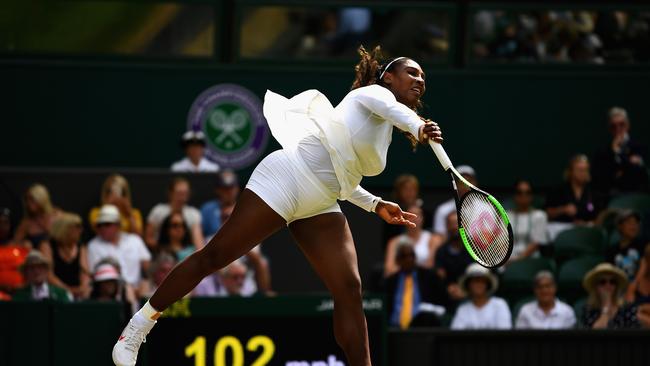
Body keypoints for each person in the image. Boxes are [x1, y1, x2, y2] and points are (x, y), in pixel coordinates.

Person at [113, 45, 443, 366]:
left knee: (349, 289)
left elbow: (340, 175)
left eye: (423, 77)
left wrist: (373, 204)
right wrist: (418, 126)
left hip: (321, 202)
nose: (419, 81)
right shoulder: (373, 96)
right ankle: (137, 327)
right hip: (286, 177)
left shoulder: (382, 128)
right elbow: (397, 115)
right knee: (214, 257)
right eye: (411, 72)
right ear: (387, 77)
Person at [88, 205, 151, 296]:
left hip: (137, 291)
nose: (102, 228)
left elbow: (148, 267)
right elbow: (95, 274)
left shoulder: (135, 240)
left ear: (118, 225)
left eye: (107, 224)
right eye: (99, 225)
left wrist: (143, 285)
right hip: (110, 295)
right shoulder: (93, 245)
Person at [384, 242, 448, 329]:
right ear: (397, 260)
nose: (409, 259)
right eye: (404, 256)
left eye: (412, 255)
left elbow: (442, 301)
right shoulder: (390, 281)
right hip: (394, 330)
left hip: (421, 330)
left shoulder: (429, 277)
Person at [591, 107, 648, 195]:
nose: (618, 129)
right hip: (612, 198)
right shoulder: (603, 152)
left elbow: (637, 173)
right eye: (613, 126)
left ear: (628, 125)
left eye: (621, 124)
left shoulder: (639, 147)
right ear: (609, 129)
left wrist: (618, 153)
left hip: (636, 196)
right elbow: (601, 178)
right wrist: (625, 161)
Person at [545, 154, 605, 238]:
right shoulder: (558, 190)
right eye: (579, 170)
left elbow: (601, 217)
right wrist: (563, 209)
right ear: (571, 171)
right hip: (562, 229)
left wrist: (586, 224)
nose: (583, 173)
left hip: (586, 230)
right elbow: (547, 213)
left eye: (585, 170)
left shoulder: (594, 192)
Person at [38, 212, 91, 300]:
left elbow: (85, 273)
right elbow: (48, 274)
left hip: (77, 293)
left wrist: (83, 288)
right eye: (77, 227)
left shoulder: (81, 247)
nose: (81, 230)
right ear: (64, 229)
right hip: (55, 292)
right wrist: (67, 290)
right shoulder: (47, 246)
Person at [145, 177, 204, 250]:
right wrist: (168, 251)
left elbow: (199, 243)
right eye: (179, 193)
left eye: (185, 193)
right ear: (170, 193)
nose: (183, 197)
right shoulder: (158, 211)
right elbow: (148, 239)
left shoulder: (194, 214)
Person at [450, 263, 512, 330]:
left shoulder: (500, 305)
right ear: (468, 285)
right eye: (475, 281)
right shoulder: (463, 309)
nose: (478, 284)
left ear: (487, 284)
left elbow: (505, 335)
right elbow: (455, 336)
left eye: (482, 281)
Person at [384, 204, 438, 277]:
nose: (414, 218)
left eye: (417, 215)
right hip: (401, 280)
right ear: (404, 218)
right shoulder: (394, 242)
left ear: (423, 218)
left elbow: (430, 265)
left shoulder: (433, 239)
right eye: (410, 215)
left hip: (424, 281)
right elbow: (389, 269)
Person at [580, 262, 640, 329]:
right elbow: (594, 334)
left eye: (612, 281)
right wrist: (606, 307)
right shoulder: (589, 310)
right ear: (596, 286)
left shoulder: (628, 308)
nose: (608, 285)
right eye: (602, 282)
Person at [435, 211, 473, 303]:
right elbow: (440, 277)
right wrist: (449, 288)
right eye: (450, 224)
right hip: (447, 298)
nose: (453, 227)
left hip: (471, 295)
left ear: (464, 226)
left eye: (456, 223)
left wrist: (465, 290)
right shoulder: (441, 251)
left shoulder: (474, 250)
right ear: (446, 227)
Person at [382, 174, 432, 245]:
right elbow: (387, 240)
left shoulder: (426, 213)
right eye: (405, 189)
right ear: (399, 192)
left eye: (412, 189)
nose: (409, 192)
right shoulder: (392, 214)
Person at [506, 180, 549, 261]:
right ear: (514, 195)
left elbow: (536, 243)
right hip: (508, 259)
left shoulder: (540, 215)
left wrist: (518, 259)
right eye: (519, 192)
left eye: (528, 192)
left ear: (532, 196)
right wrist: (505, 260)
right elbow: (502, 242)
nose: (523, 196)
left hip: (532, 260)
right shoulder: (506, 216)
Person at [431, 165, 476, 240]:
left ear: (474, 183)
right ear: (455, 184)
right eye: (461, 182)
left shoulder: (488, 208)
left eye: (468, 181)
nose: (465, 185)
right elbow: (439, 237)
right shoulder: (443, 210)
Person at [13, 183, 62, 248]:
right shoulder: (27, 223)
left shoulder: (57, 215)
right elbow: (15, 242)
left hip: (56, 254)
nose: (28, 203)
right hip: (36, 256)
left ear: (41, 199)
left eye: (32, 199)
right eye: (26, 199)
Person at [606, 210, 648, 280]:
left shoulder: (645, 245)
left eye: (636, 222)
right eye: (629, 222)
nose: (634, 226)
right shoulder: (611, 251)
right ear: (620, 226)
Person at [200, 170, 240, 239]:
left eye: (231, 187)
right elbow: (200, 235)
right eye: (225, 188)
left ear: (237, 188)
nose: (229, 192)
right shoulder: (208, 209)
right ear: (218, 190)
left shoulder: (244, 208)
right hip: (212, 245)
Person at [0, 208, 29, 294]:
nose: (1, 226)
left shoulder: (22, 246)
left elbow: (31, 271)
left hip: (21, 293)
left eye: (5, 223)